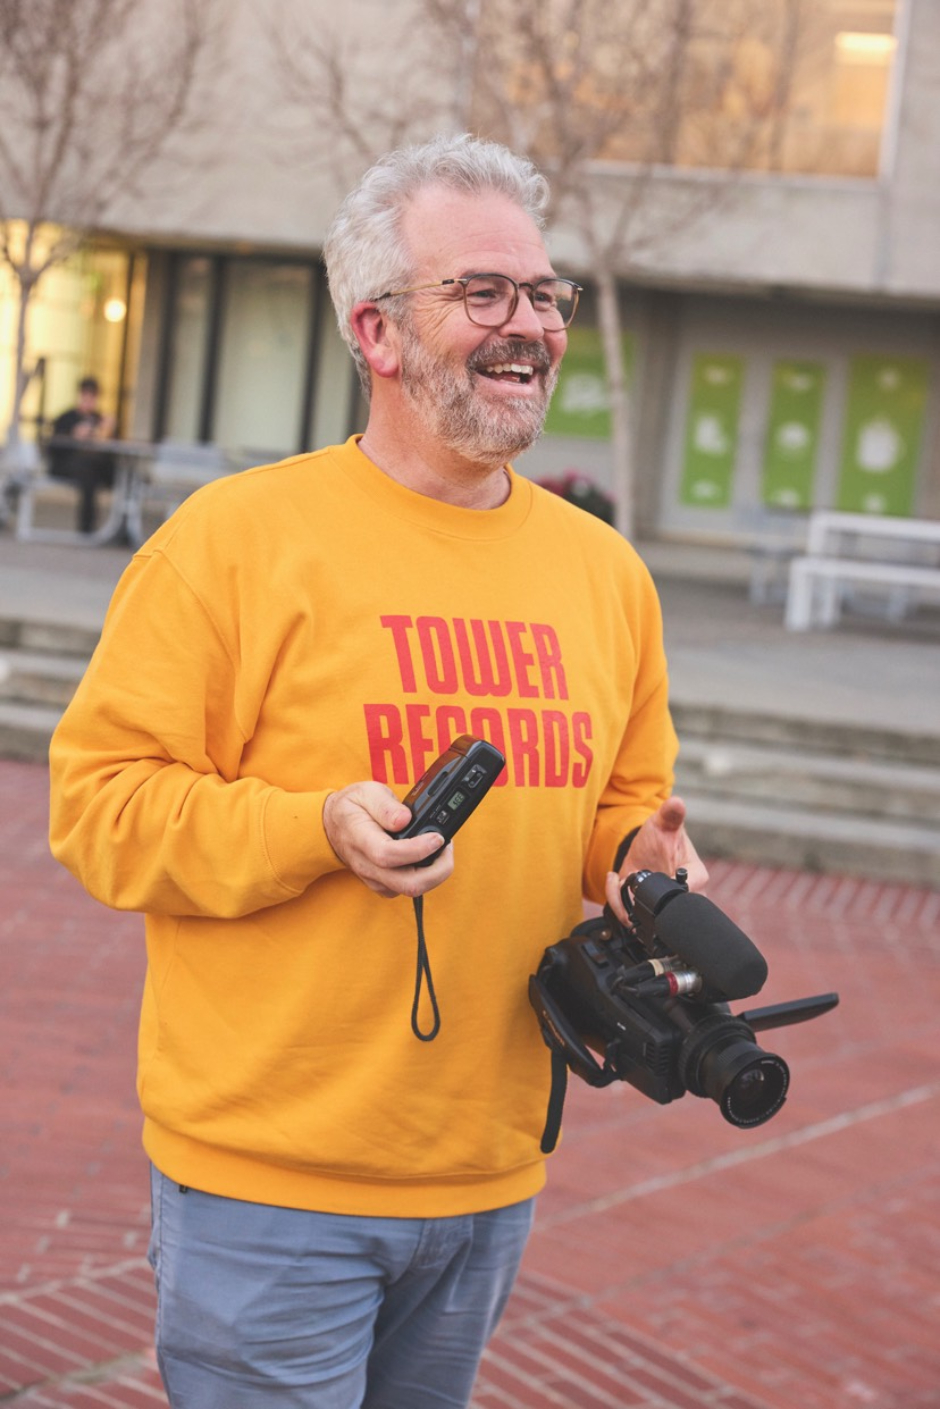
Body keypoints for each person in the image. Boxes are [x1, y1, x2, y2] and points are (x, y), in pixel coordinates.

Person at [48, 134, 707, 1409]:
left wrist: (641, 862)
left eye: (542, 295)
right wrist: (315, 826)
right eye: (483, 294)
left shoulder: (603, 572)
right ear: (377, 331)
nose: (528, 327)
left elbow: (623, 800)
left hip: (490, 1174)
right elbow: (99, 806)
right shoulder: (232, 544)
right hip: (269, 1184)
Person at [47, 375, 117, 533]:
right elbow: (54, 448)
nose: (89, 400)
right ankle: (87, 528)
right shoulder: (66, 418)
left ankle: (119, 523)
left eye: (93, 396)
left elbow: (111, 448)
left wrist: (107, 432)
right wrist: (74, 434)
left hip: (94, 468)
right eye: (86, 395)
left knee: (117, 473)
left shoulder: (99, 419)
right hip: (67, 465)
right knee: (88, 470)